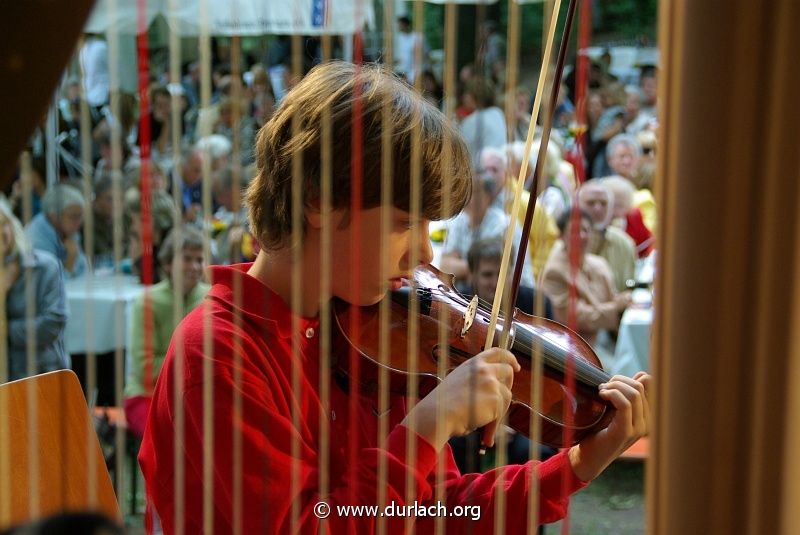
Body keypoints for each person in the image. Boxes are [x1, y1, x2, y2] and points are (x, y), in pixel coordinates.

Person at [139, 61, 650, 534]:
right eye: (405, 224)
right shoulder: (216, 355)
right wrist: (426, 427)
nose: (423, 253)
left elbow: (437, 512)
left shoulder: (378, 334)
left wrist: (578, 465)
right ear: (318, 201)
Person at [123, 226, 209, 438]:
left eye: (200, 260)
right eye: (187, 259)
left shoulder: (212, 298)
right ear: (168, 263)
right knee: (170, 439)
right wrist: (197, 367)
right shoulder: (147, 302)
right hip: (148, 395)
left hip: (199, 394)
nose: (195, 267)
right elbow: (145, 368)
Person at [540, 209, 632, 347]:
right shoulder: (554, 271)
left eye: (586, 230)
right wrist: (617, 308)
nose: (582, 236)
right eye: (575, 231)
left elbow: (612, 297)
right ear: (561, 236)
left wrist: (625, 301)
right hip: (574, 348)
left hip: (608, 339)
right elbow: (575, 317)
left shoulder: (599, 264)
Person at [0, 200, 68, 381]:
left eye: (3, 224)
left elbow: (51, 325)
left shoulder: (45, 266)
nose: (1, 232)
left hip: (41, 376)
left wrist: (6, 331)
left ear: (12, 225)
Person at [577, 180, 637, 292]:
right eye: (591, 203)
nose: (598, 208)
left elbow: (630, 288)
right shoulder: (566, 243)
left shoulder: (624, 243)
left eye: (603, 203)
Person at [25, 184, 87, 278]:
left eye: (80, 216)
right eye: (74, 217)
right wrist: (69, 265)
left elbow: (83, 270)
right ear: (53, 216)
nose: (79, 222)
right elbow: (46, 285)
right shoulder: (35, 240)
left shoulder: (68, 231)